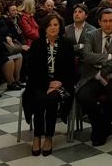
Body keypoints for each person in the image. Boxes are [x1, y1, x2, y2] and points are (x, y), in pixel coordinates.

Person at [76, 8, 112, 146]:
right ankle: (101, 126)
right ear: (99, 22)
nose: (108, 24)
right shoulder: (91, 35)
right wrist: (110, 56)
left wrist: (104, 70)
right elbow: (87, 56)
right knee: (83, 95)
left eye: (111, 21)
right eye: (105, 21)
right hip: (93, 75)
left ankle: (100, 127)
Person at [24, 13, 75, 156]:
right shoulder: (37, 44)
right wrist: (47, 83)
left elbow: (71, 70)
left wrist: (57, 84)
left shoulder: (67, 44)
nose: (52, 28)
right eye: (49, 25)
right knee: (39, 98)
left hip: (61, 85)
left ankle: (48, 137)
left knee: (51, 99)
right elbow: (31, 70)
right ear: (44, 28)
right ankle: (37, 136)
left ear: (60, 27)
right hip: (38, 83)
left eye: (56, 25)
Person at [0, 2, 27, 90]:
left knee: (19, 56)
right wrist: (4, 38)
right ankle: (10, 83)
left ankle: (17, 80)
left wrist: (9, 36)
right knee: (9, 60)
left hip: (5, 46)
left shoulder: (3, 20)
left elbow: (10, 31)